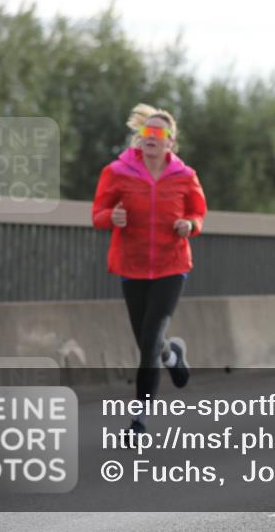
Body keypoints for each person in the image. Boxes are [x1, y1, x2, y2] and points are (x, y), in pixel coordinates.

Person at [91, 104, 206, 437]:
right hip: (132, 267)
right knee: (148, 342)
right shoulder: (117, 172)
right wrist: (110, 217)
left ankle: (138, 420)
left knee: (150, 338)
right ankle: (172, 355)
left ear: (170, 142)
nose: (150, 137)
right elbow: (98, 213)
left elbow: (198, 213)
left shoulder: (185, 176)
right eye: (146, 131)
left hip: (172, 266)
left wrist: (190, 225)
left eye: (158, 132)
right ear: (139, 138)